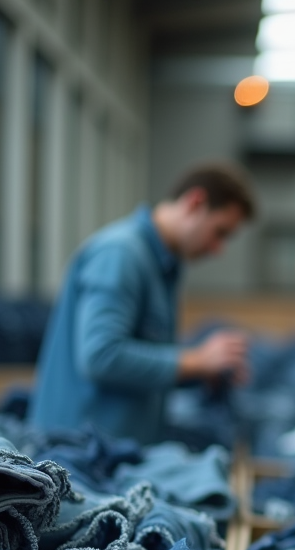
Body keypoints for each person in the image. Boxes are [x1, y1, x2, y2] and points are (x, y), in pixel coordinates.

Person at [30, 162, 255, 443]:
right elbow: (101, 356)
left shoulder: (162, 265)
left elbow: (140, 360)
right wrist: (196, 360)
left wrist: (201, 372)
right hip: (78, 457)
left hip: (109, 454)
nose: (218, 249)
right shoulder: (121, 254)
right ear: (195, 203)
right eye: (219, 233)